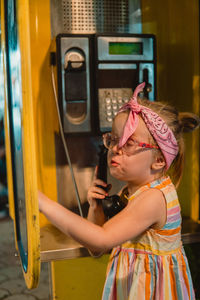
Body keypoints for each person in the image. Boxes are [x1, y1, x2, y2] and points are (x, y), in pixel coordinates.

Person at [39, 82, 199, 299]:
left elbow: (101, 239)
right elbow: (95, 249)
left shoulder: (154, 198)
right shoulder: (132, 191)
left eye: (128, 143)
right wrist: (96, 209)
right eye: (113, 140)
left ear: (159, 160)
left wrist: (42, 203)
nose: (115, 148)